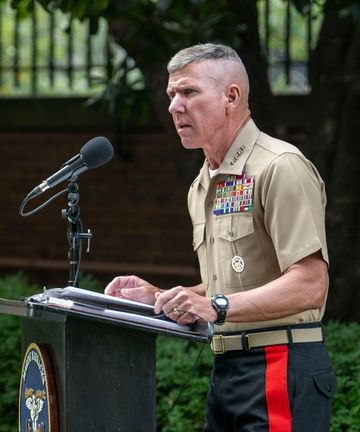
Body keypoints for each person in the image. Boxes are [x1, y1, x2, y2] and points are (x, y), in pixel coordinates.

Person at [105, 43, 336, 431]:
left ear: (232, 97)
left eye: (189, 92)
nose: (174, 106)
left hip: (279, 363)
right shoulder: (202, 184)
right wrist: (163, 298)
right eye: (171, 95)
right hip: (226, 369)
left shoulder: (280, 167)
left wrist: (217, 305)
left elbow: (311, 284)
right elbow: (228, 288)